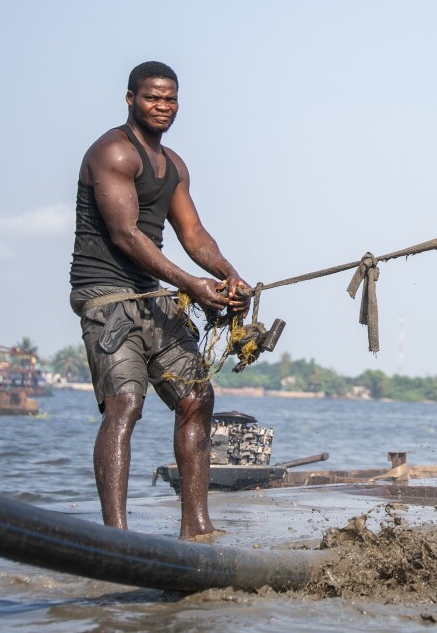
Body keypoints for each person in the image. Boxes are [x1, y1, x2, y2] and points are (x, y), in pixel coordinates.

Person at [69, 61, 249, 540]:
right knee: (124, 404)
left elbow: (192, 234)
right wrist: (191, 284)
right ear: (130, 99)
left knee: (197, 396)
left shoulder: (175, 167)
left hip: (152, 294)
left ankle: (197, 527)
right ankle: (117, 537)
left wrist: (230, 277)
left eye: (170, 99)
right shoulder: (112, 152)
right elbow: (126, 236)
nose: (162, 107)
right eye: (152, 98)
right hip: (106, 295)